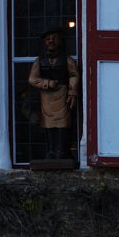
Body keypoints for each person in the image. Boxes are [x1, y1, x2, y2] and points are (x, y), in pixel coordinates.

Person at [28, 29, 80, 159]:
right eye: (48, 39)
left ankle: (61, 151)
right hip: (47, 97)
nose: (51, 41)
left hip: (62, 95)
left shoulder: (67, 60)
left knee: (63, 124)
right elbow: (32, 79)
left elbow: (74, 75)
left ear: (60, 41)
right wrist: (46, 83)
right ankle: (50, 151)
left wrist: (72, 91)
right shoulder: (39, 61)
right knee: (48, 124)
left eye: (54, 38)